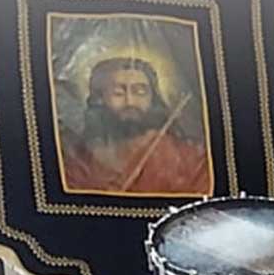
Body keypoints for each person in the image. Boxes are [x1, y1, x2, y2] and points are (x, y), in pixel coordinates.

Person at [59, 54, 211, 196]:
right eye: (118, 93)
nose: (130, 102)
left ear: (153, 98)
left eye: (140, 92)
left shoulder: (188, 159)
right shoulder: (80, 160)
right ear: (99, 100)